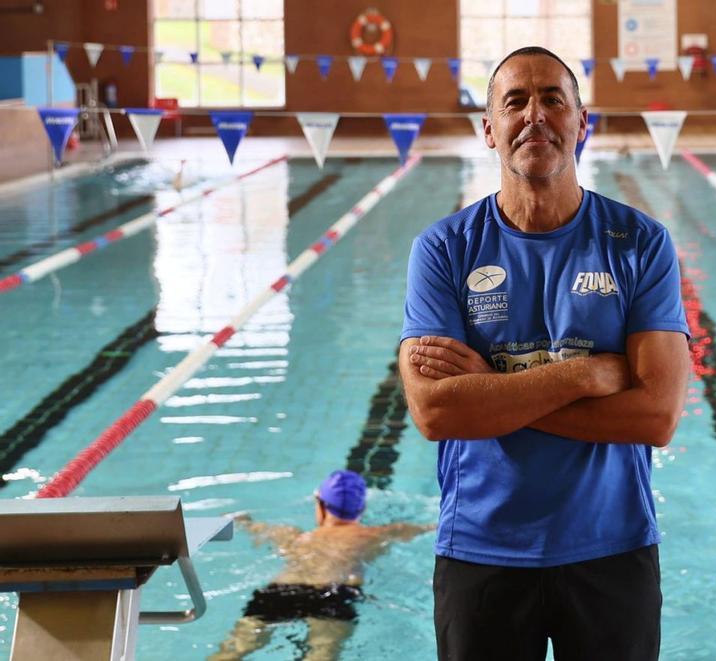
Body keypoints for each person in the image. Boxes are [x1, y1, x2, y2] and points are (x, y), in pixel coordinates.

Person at [398, 46, 691, 661]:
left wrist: (493, 394)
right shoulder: (443, 250)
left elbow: (657, 418)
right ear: (488, 130)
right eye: (515, 102)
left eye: (553, 99)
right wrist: (586, 374)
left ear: (583, 122)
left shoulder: (640, 243)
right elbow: (436, 414)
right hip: (481, 549)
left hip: (613, 547)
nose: (535, 115)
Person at [210, 470, 433, 660]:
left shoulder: (295, 536)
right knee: (322, 655)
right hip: (333, 593)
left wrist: (246, 522)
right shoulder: (374, 535)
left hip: (284, 590)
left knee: (234, 650)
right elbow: (420, 529)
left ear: (320, 505)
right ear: (361, 509)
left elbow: (260, 530)